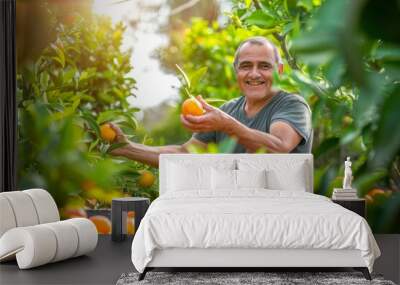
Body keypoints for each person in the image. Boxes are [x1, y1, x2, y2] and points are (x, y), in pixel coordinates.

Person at [109, 36, 313, 167]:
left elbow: (279, 148)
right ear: (236, 71)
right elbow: (185, 154)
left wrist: (226, 125)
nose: (254, 73)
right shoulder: (228, 110)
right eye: (246, 66)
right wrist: (127, 148)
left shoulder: (292, 105)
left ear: (279, 70)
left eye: (264, 66)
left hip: (279, 208)